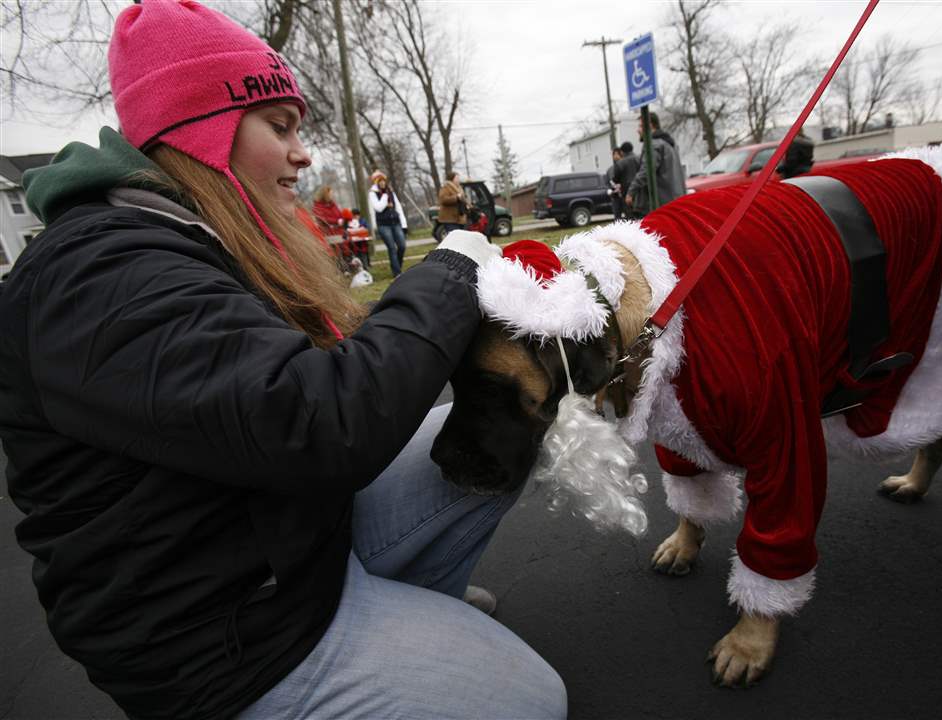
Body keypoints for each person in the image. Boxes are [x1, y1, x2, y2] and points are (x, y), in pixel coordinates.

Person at [0, 2, 566, 720]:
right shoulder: (104, 274)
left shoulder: (184, 239)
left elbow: (322, 374)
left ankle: (405, 615)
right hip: (214, 635)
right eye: (280, 126)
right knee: (530, 700)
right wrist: (450, 269)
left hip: (273, 546)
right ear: (201, 132)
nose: (303, 154)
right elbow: (319, 420)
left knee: (497, 425)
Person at [626, 112, 686, 212]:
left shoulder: (653, 145)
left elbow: (646, 170)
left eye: (640, 126)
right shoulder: (669, 144)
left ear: (650, 125)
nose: (638, 130)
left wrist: (631, 192)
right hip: (674, 200)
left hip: (661, 203)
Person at [369, 169, 408, 277]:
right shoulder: (373, 194)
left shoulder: (391, 191)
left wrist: (404, 224)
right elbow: (378, 208)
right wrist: (385, 197)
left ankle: (398, 266)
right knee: (391, 247)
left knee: (402, 245)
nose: (382, 183)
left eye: (383, 181)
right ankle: (397, 272)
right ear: (376, 182)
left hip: (395, 222)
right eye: (379, 181)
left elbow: (398, 207)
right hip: (383, 224)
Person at [614, 141, 644, 219]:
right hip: (640, 191)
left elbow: (615, 179)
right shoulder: (640, 159)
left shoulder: (620, 163)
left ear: (622, 152)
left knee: (630, 216)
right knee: (642, 215)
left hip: (626, 192)